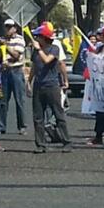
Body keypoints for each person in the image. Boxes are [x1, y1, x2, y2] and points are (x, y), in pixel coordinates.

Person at [28, 23, 72, 153]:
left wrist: (39, 50)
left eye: (38, 36)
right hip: (38, 86)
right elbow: (34, 67)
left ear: (44, 37)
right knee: (38, 117)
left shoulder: (54, 49)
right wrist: (29, 82)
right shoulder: (36, 51)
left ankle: (66, 141)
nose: (36, 39)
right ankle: (41, 144)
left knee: (59, 114)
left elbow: (48, 60)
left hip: (51, 85)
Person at [0, 19, 27, 136]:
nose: (8, 29)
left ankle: (22, 126)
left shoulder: (19, 39)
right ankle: (1, 126)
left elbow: (16, 55)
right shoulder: (2, 40)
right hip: (4, 71)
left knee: (19, 100)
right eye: (6, 27)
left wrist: (6, 47)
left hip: (16, 71)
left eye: (10, 27)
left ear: (15, 28)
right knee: (3, 100)